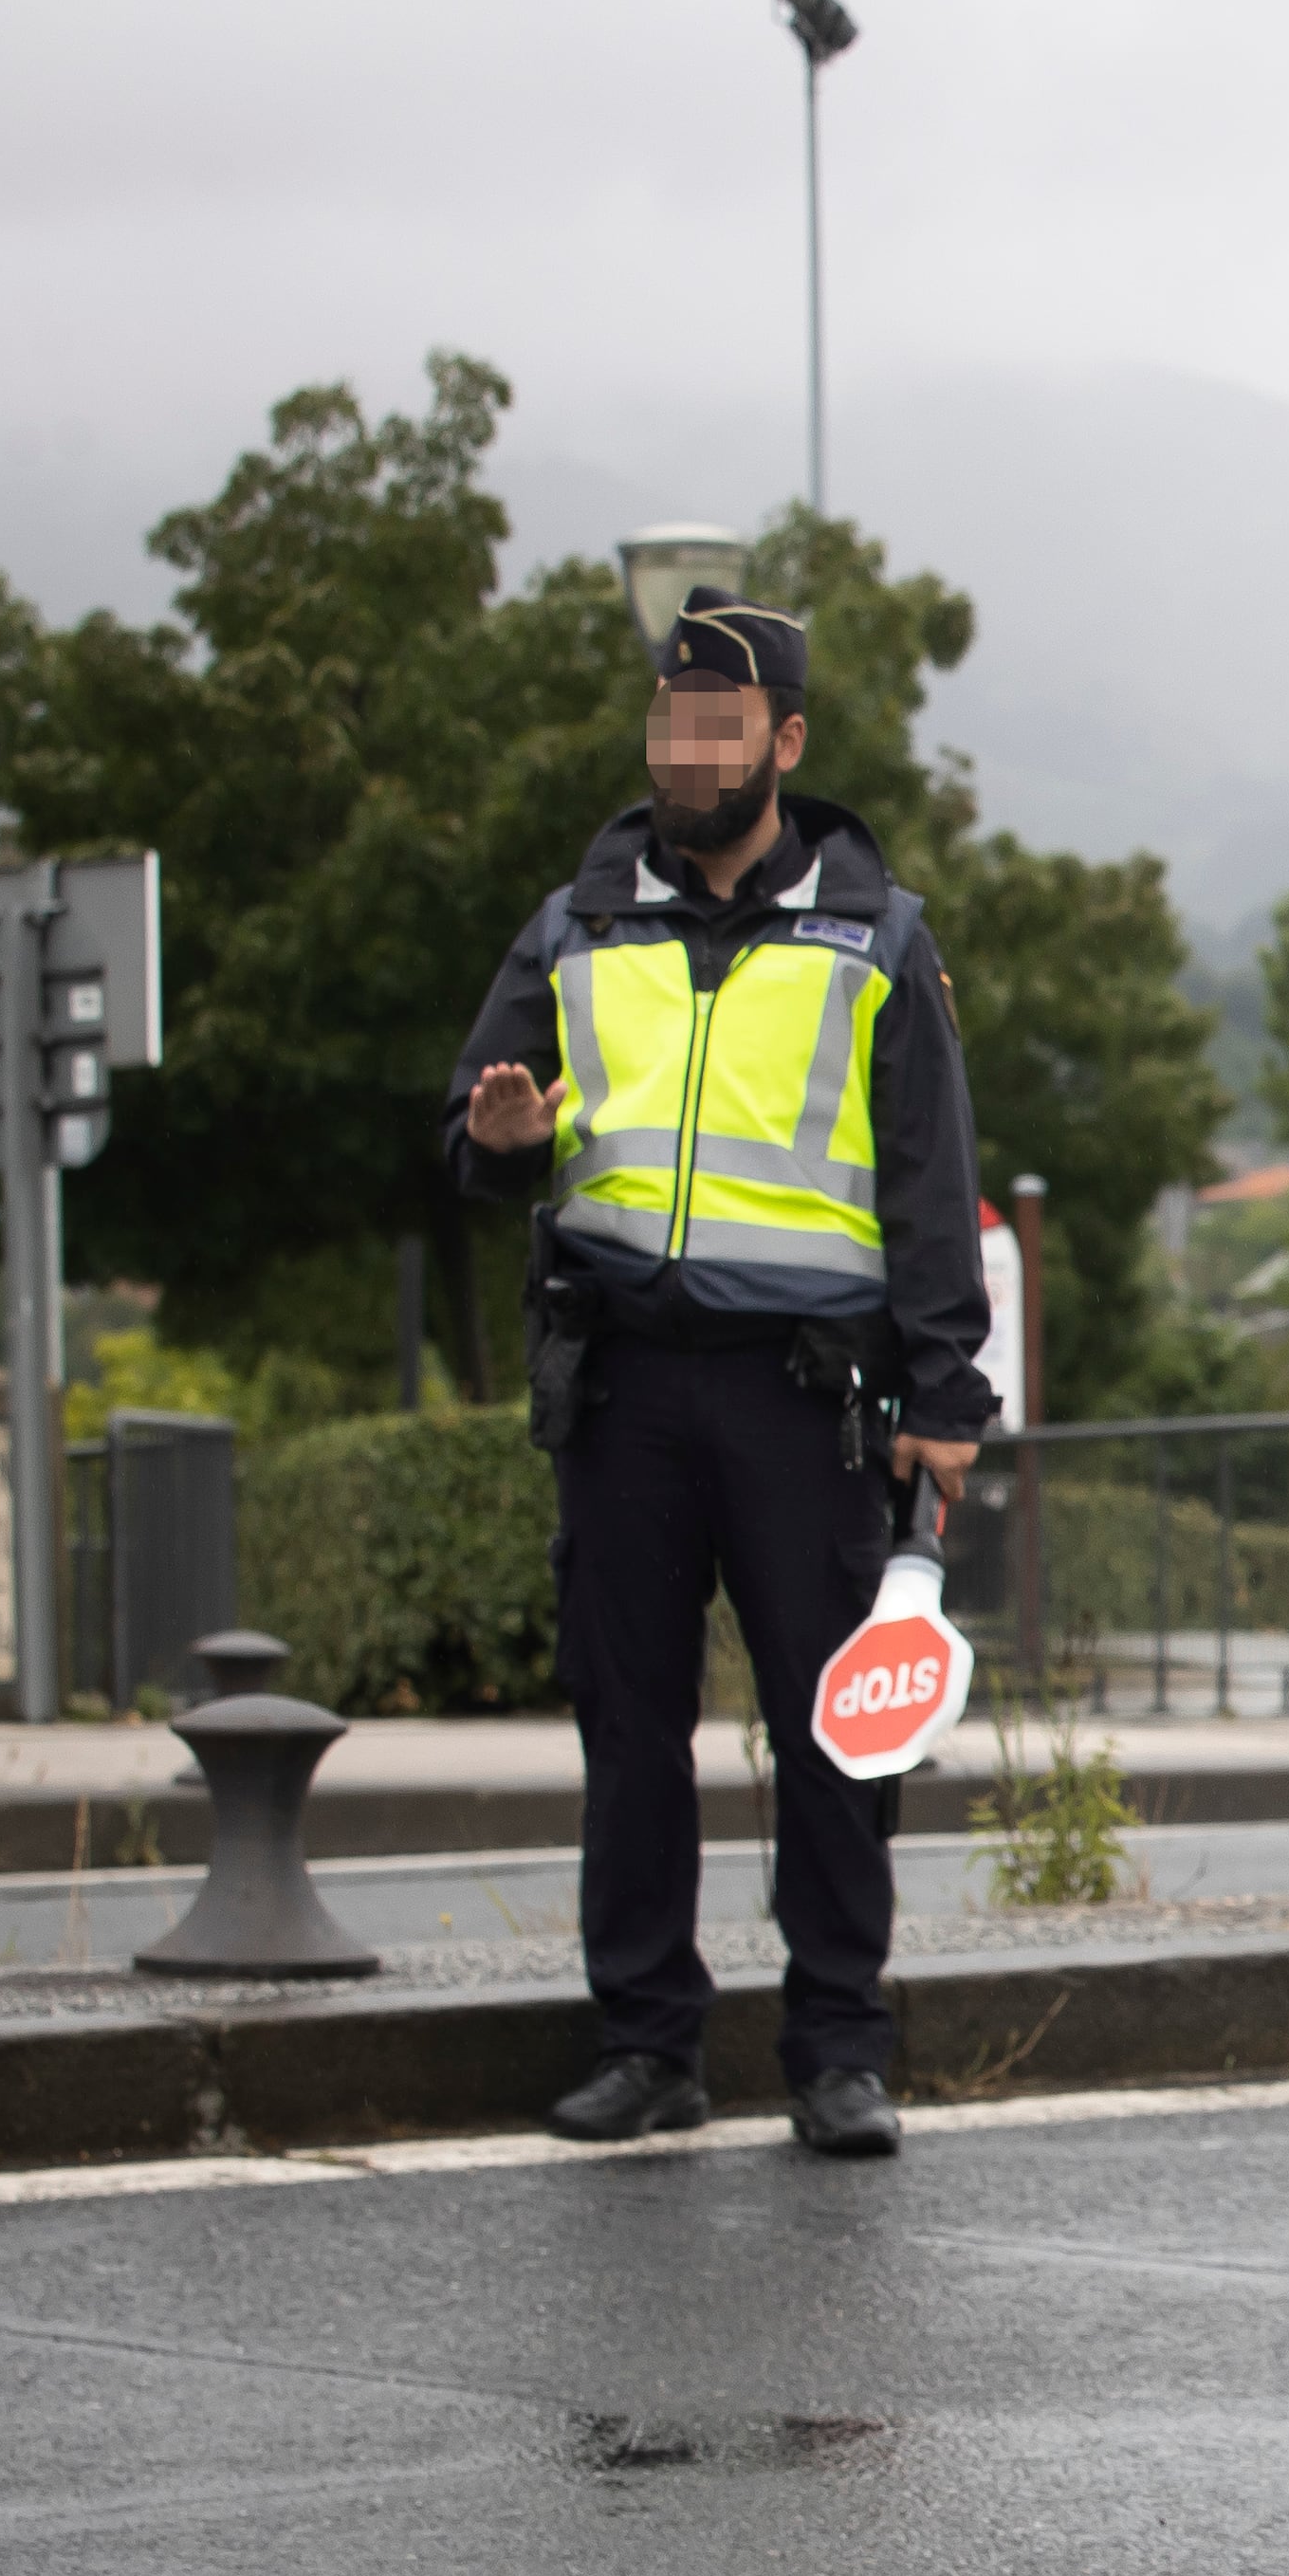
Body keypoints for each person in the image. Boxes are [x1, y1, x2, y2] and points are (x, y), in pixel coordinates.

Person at [444, 587, 998, 2159]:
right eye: (668, 723)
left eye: (721, 726)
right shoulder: (579, 919)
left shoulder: (876, 935)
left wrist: (946, 1402)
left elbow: (928, 1178)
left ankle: (835, 2044)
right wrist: (496, 1142)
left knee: (833, 1728)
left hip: (802, 1396)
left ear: (786, 742)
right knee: (627, 1723)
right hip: (622, 1386)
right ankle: (649, 2041)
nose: (686, 752)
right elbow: (477, 1129)